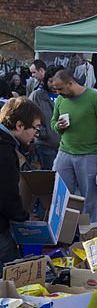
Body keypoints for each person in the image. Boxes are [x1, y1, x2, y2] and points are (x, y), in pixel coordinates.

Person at [50, 68, 97, 224]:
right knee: (59, 193)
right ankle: (62, 228)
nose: (58, 92)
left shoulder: (95, 97)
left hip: (90, 154)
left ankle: (90, 231)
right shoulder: (61, 100)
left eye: (60, 88)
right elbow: (53, 122)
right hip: (64, 152)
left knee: (89, 197)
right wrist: (58, 126)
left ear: (70, 83)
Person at [0, 98, 42, 269]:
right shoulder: (4, 150)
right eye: (35, 128)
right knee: (12, 273)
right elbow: (6, 193)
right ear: (19, 125)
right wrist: (23, 218)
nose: (36, 134)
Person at [29, 64, 60, 169]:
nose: (53, 84)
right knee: (49, 176)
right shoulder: (37, 95)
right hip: (45, 144)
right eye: (50, 81)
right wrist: (42, 132)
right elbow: (30, 116)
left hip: (66, 146)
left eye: (55, 80)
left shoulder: (67, 96)